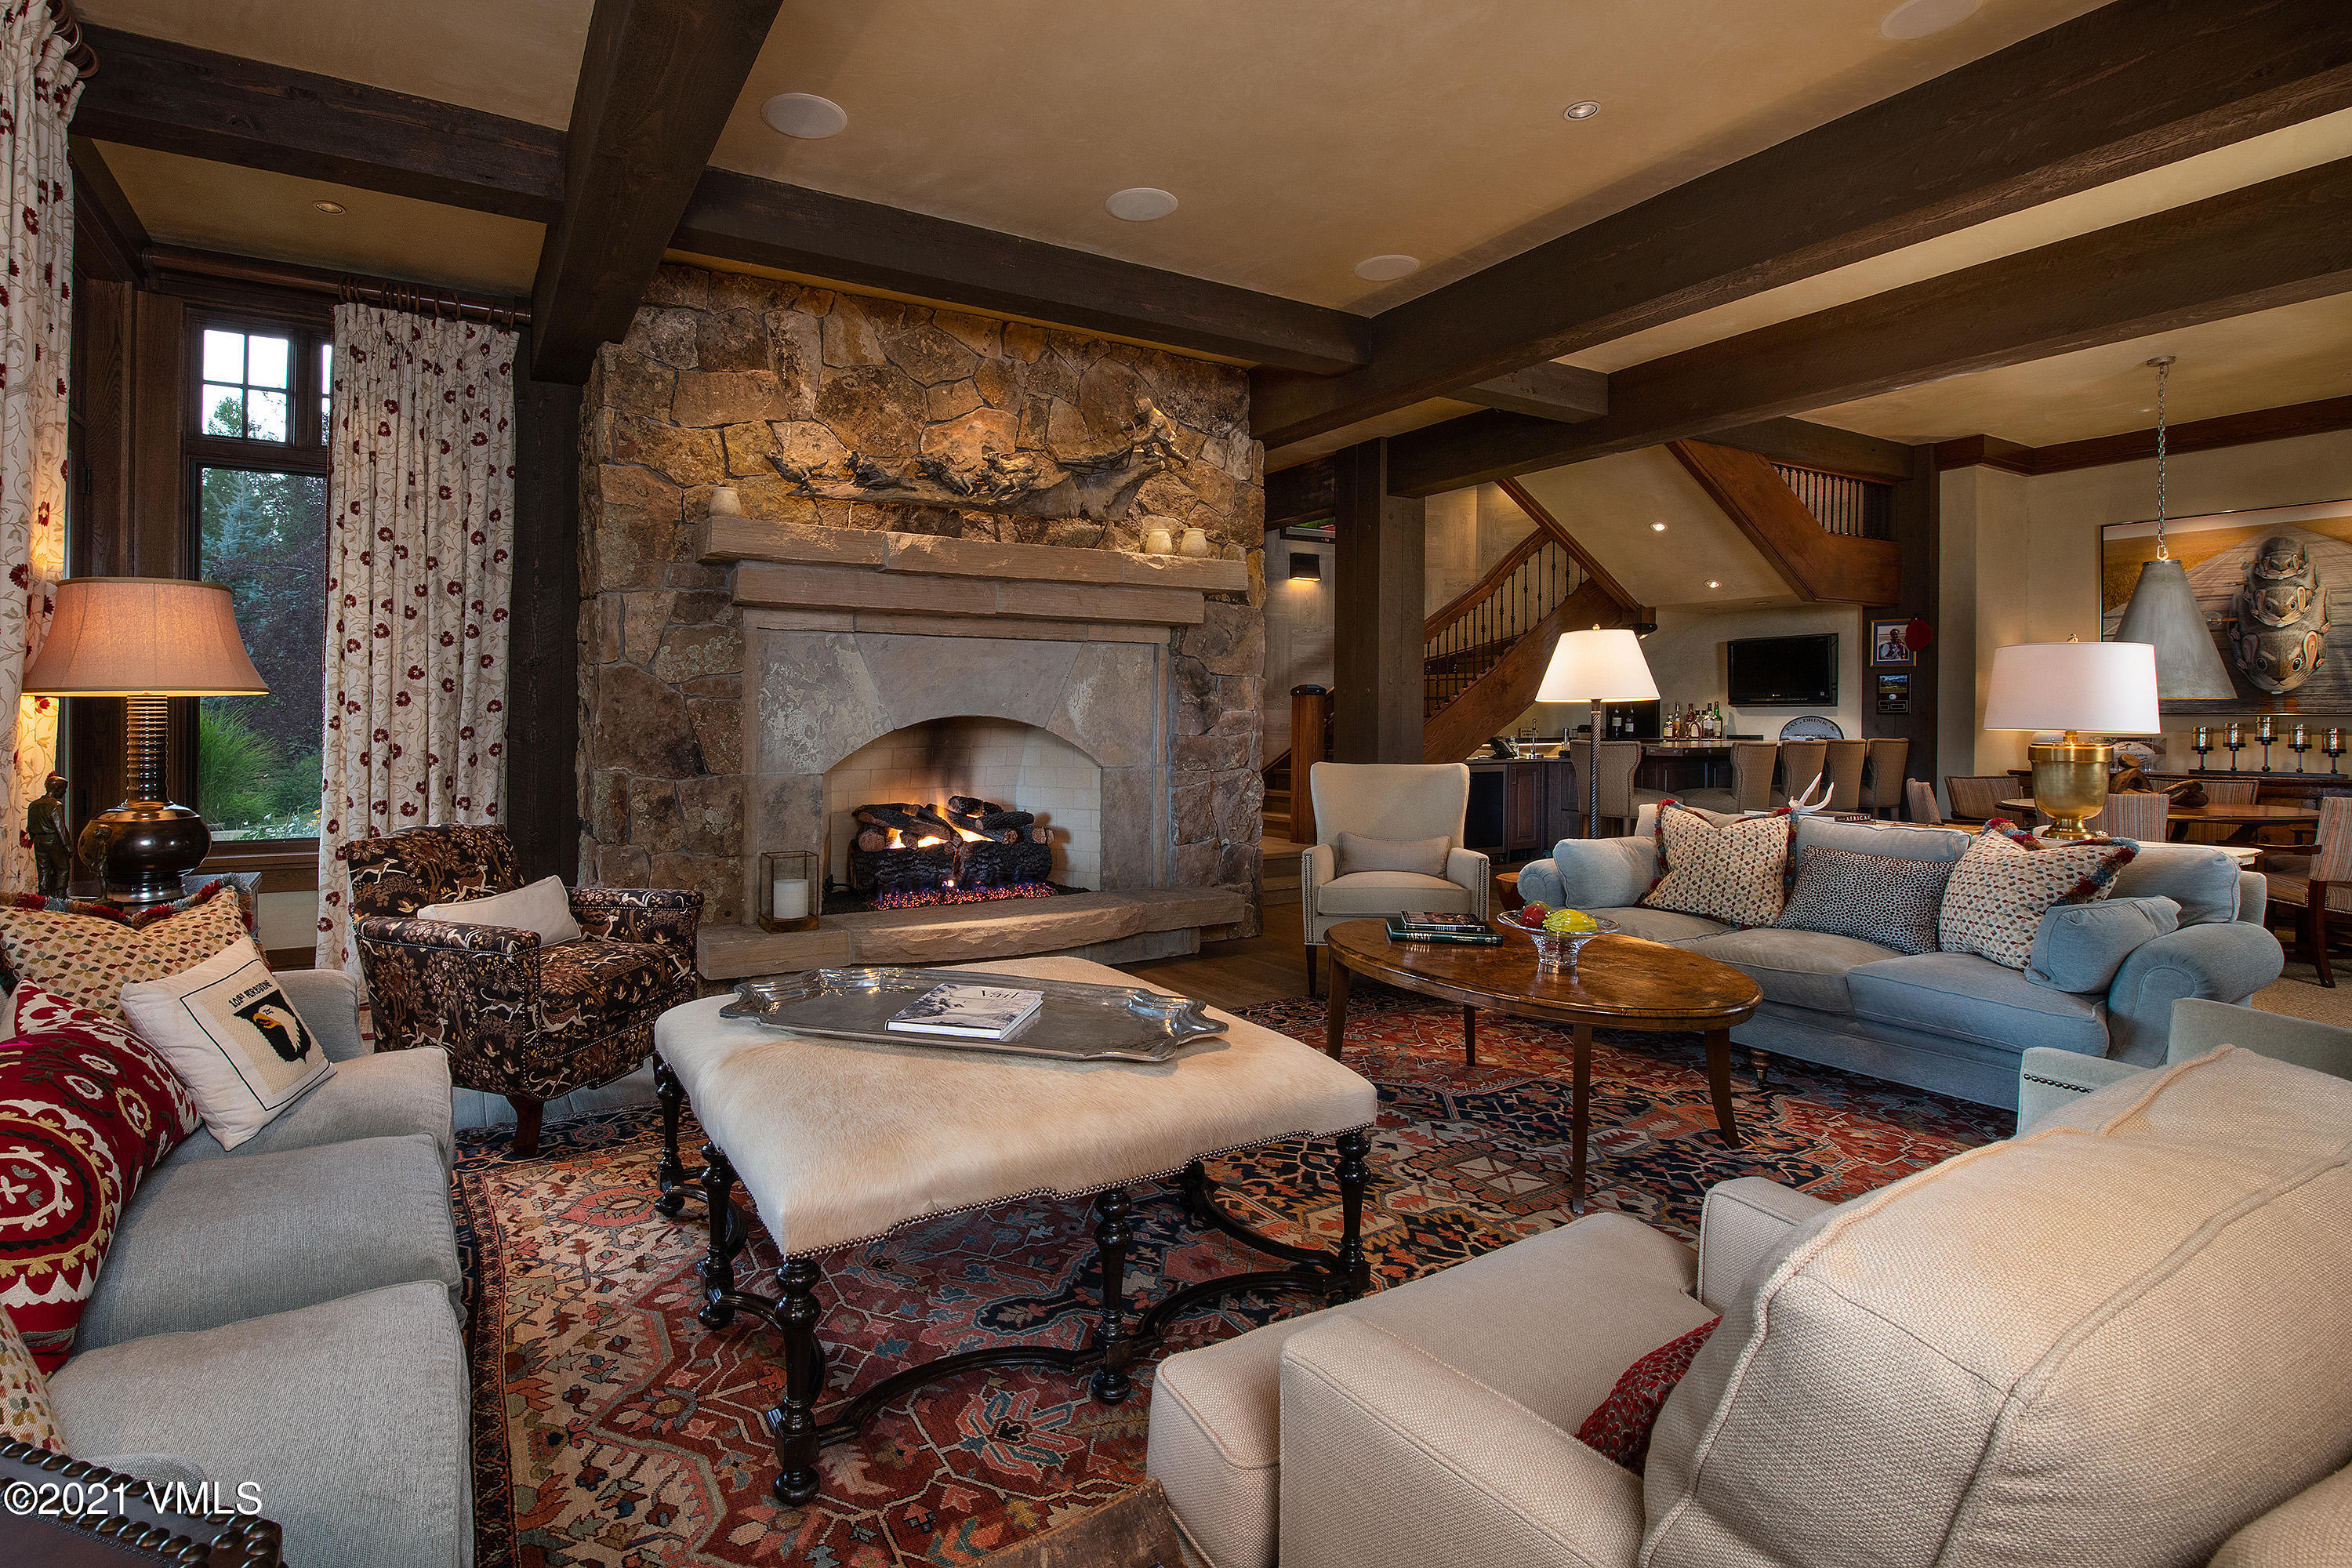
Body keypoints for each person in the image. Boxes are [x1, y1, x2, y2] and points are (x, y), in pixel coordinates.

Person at [27, 771, 69, 897]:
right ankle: (60, 896)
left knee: (43, 870)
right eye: (64, 789)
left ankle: (42, 895)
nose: (64, 792)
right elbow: (60, 828)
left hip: (38, 840)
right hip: (52, 839)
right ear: (57, 789)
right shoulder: (55, 806)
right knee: (63, 868)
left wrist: (35, 839)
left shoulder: (33, 805)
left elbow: (30, 826)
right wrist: (68, 846)